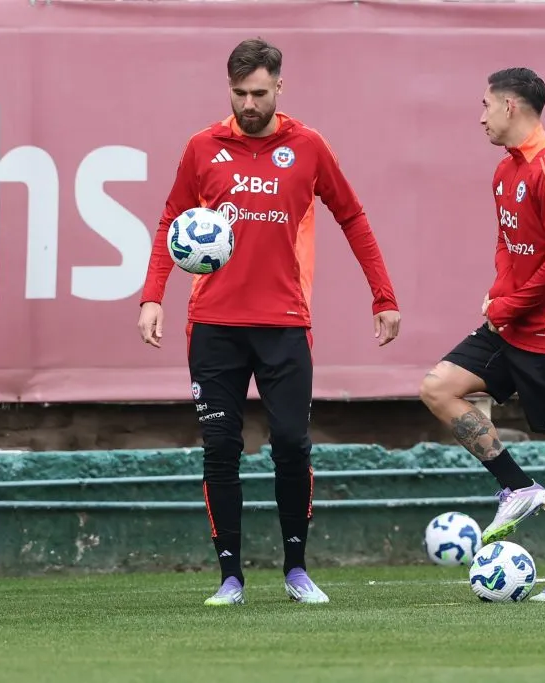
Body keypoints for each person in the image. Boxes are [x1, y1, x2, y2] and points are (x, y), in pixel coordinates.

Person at [138, 38, 401, 606]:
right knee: (220, 447)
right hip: (213, 324)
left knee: (290, 442)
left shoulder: (307, 146)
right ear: (228, 89)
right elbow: (170, 221)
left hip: (284, 324)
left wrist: (383, 296)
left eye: (259, 93)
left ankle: (297, 569)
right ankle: (230, 577)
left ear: (279, 87)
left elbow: (352, 216)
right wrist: (152, 295)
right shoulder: (202, 147)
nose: (249, 103)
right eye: (239, 93)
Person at [420, 68, 545, 602]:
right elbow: (509, 246)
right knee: (438, 388)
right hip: (510, 324)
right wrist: (497, 298)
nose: (479, 116)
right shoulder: (505, 172)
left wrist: (507, 304)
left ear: (510, 107)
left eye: (484, 106)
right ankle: (517, 484)